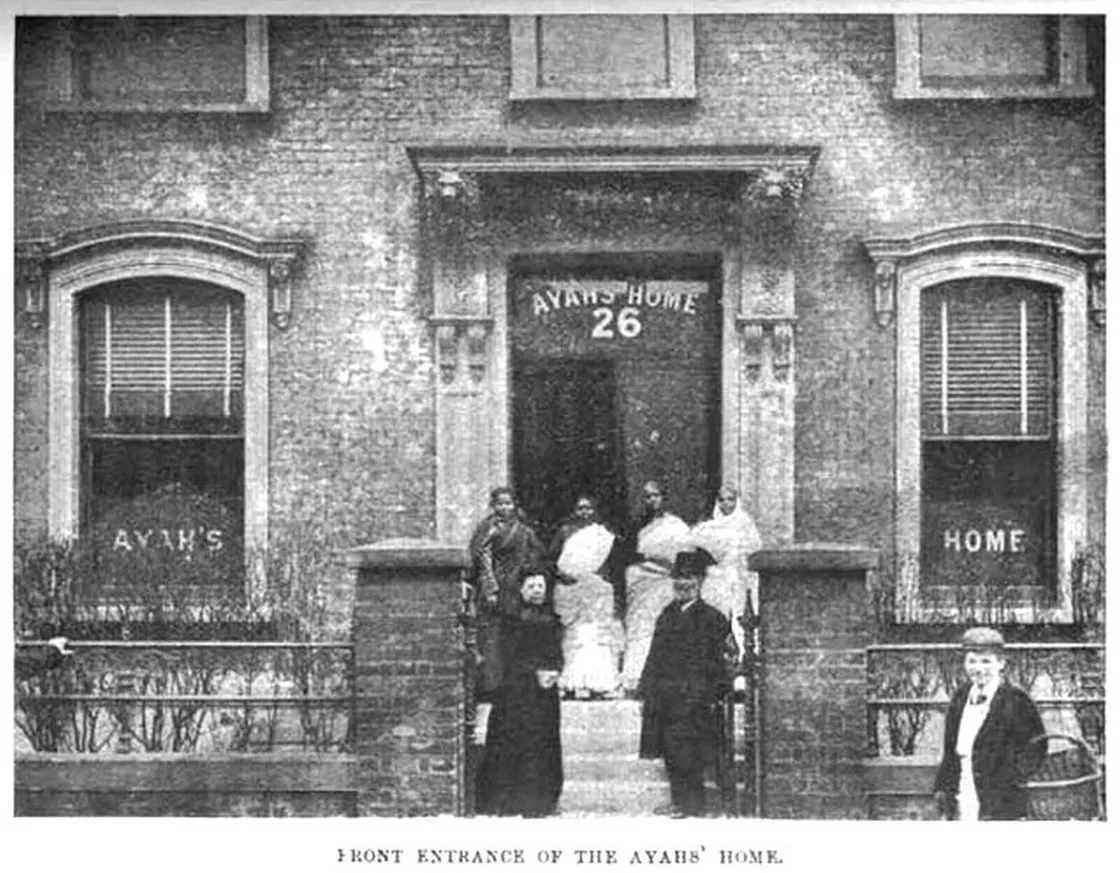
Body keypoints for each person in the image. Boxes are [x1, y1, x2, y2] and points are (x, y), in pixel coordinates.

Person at [637, 548, 737, 818]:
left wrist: (710, 691)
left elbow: (725, 660)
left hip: (695, 698)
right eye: (679, 578)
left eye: (690, 577)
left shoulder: (712, 618)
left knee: (690, 753)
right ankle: (678, 800)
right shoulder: (667, 614)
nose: (683, 584)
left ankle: (694, 805)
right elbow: (655, 655)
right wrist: (646, 690)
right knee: (670, 750)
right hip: (665, 696)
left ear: (701, 581)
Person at [933, 627, 1046, 821]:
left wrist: (1012, 780)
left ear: (1001, 663)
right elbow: (950, 750)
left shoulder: (1017, 700)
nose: (978, 669)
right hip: (962, 790)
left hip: (1000, 800)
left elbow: (1037, 748)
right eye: (972, 661)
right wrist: (943, 788)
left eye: (986, 661)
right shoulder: (960, 697)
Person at [475, 572, 564, 817]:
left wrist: (555, 670)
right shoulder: (511, 620)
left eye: (540, 586)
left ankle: (542, 800)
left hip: (544, 693)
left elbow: (557, 653)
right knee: (514, 740)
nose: (537, 590)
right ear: (522, 590)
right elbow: (508, 656)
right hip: (516, 691)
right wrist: (533, 671)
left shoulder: (553, 619)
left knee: (543, 742)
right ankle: (510, 800)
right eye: (531, 586)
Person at [467, 486, 546, 695]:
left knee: (514, 634)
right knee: (492, 636)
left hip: (515, 589)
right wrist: (489, 588)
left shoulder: (523, 530)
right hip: (493, 589)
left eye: (508, 503)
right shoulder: (488, 528)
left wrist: (528, 575)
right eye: (500, 504)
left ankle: (514, 683)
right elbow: (482, 559)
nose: (504, 507)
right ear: (493, 506)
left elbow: (536, 554)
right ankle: (492, 685)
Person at [548, 495, 624, 698]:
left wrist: (596, 579)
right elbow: (553, 561)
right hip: (572, 591)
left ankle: (598, 684)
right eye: (580, 508)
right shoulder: (565, 532)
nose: (585, 513)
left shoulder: (603, 535)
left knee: (597, 638)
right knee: (575, 638)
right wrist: (569, 577)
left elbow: (612, 565)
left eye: (589, 508)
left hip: (596, 592)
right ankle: (573, 683)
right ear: (574, 510)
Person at [620, 480, 691, 691]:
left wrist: (653, 557)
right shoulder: (640, 525)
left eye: (656, 495)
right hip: (640, 583)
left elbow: (681, 556)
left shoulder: (676, 526)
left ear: (664, 497)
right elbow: (629, 553)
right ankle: (635, 677)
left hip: (663, 582)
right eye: (648, 496)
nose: (652, 500)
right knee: (639, 629)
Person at [689, 485, 762, 660]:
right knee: (716, 616)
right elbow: (695, 539)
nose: (726, 504)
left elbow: (754, 547)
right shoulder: (710, 527)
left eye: (730, 499)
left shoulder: (745, 522)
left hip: (741, 576)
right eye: (722, 500)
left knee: (743, 619)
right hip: (720, 577)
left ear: (737, 501)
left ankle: (746, 661)